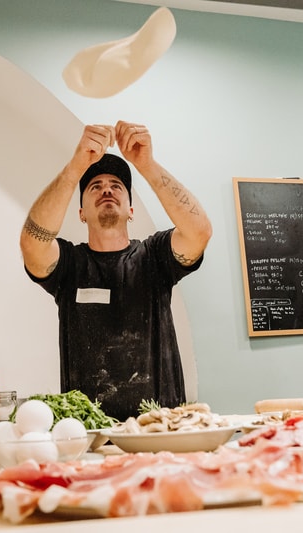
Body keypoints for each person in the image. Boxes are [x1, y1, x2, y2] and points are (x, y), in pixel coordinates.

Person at [19, 120, 212, 421]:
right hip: (90, 434)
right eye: (95, 186)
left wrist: (147, 165)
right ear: (81, 213)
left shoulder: (154, 257)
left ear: (131, 210)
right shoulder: (70, 264)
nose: (106, 190)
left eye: (117, 186)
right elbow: (32, 244)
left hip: (160, 429)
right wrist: (76, 167)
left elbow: (199, 232)